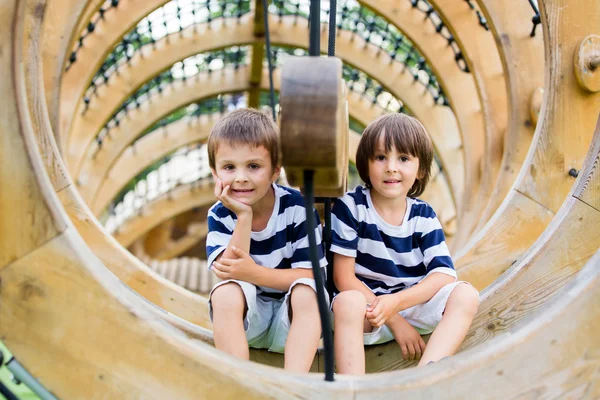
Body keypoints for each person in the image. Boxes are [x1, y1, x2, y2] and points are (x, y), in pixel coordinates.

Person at [331, 113, 480, 375]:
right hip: (369, 310)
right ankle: (352, 389)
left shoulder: (423, 215)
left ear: (420, 169)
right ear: (365, 165)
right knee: (347, 302)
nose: (391, 167)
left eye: (403, 159)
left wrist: (397, 303)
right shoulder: (351, 207)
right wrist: (394, 319)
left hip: (409, 302)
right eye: (380, 157)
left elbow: (443, 274)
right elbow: (343, 278)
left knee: (465, 294)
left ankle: (425, 379)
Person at [206, 108, 327, 372]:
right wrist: (243, 216)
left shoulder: (297, 209)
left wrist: (255, 273)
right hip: (250, 324)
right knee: (226, 293)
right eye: (229, 167)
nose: (240, 177)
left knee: (310, 292)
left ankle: (291, 386)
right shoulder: (219, 215)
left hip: (294, 324)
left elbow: (311, 275)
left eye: (253, 166)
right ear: (215, 173)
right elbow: (228, 272)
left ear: (274, 171)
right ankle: (240, 384)